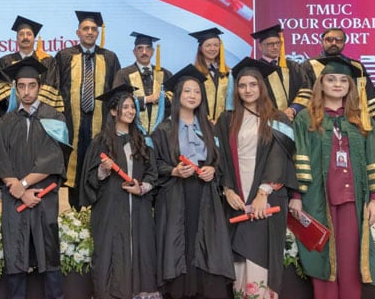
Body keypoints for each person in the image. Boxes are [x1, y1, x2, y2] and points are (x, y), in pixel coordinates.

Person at [289, 56, 375, 298]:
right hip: (317, 199)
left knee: (351, 261)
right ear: (321, 84)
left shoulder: (361, 118)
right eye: (331, 79)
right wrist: (296, 196)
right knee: (321, 258)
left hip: (354, 200)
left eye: (343, 80)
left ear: (351, 86)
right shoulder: (305, 119)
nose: (337, 84)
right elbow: (297, 157)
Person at [215, 57, 298, 298]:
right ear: (236, 89)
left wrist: (264, 192)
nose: (248, 90)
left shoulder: (278, 119)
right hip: (237, 197)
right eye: (242, 85)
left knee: (261, 254)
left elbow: (280, 157)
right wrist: (227, 189)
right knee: (239, 259)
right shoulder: (226, 120)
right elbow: (219, 157)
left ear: (261, 87)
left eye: (253, 84)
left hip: (268, 197)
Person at [151, 64, 234, 299]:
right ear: (178, 96)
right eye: (187, 91)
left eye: (197, 92)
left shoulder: (210, 127)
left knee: (204, 239)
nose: (192, 96)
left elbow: (220, 162)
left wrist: (212, 170)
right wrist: (174, 171)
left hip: (205, 194)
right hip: (176, 194)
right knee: (180, 241)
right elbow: (152, 165)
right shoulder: (164, 129)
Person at [0, 57, 70, 299]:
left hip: (43, 196)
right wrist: (14, 186)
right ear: (16, 88)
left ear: (39, 87)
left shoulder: (55, 117)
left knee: (48, 251)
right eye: (22, 86)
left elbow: (54, 157)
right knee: (16, 252)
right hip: (14, 197)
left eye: (32, 86)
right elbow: (0, 158)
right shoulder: (5, 121)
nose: (27, 91)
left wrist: (23, 185)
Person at [79, 84, 160, 299]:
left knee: (141, 253)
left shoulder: (143, 141)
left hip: (139, 209)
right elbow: (88, 180)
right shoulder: (100, 142)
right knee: (110, 252)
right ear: (113, 111)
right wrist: (102, 172)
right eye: (125, 107)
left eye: (133, 107)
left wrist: (142, 187)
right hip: (110, 209)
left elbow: (153, 174)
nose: (131, 111)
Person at [55, 11, 121, 209]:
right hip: (71, 122)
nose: (90, 32)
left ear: (98, 33)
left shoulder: (109, 57)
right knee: (75, 166)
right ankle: (76, 211)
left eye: (94, 29)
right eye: (86, 28)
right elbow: (56, 88)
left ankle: (97, 209)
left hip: (100, 121)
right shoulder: (65, 56)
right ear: (78, 32)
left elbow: (115, 92)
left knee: (96, 163)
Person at [294, 28, 375, 120]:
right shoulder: (309, 65)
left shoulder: (356, 66)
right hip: (319, 118)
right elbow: (305, 94)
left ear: (344, 43)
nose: (334, 43)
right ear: (322, 42)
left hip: (352, 118)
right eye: (329, 39)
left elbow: (368, 94)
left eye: (339, 40)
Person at [0, 16, 63, 114]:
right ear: (17, 38)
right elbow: (5, 88)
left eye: (29, 34)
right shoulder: (5, 61)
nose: (25, 37)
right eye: (21, 34)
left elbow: (50, 86)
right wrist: (22, 107)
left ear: (34, 38)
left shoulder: (47, 61)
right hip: (15, 113)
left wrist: (34, 108)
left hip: (41, 113)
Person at [113, 32, 172, 134]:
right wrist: (147, 99)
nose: (144, 52)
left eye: (148, 48)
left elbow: (175, 99)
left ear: (153, 51)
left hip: (161, 133)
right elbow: (117, 100)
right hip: (132, 131)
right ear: (134, 52)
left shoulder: (165, 74)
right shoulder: (124, 74)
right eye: (140, 48)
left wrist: (162, 98)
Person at [251, 24, 307, 120]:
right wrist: (276, 114)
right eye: (270, 44)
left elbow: (306, 89)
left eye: (278, 43)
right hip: (266, 122)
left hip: (294, 120)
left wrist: (293, 109)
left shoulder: (293, 67)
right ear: (260, 46)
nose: (275, 47)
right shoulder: (254, 69)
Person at [190, 27, 230, 123]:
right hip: (200, 124)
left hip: (224, 125)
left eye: (216, 45)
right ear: (200, 48)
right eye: (208, 45)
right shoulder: (193, 73)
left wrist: (222, 121)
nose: (212, 49)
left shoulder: (228, 73)